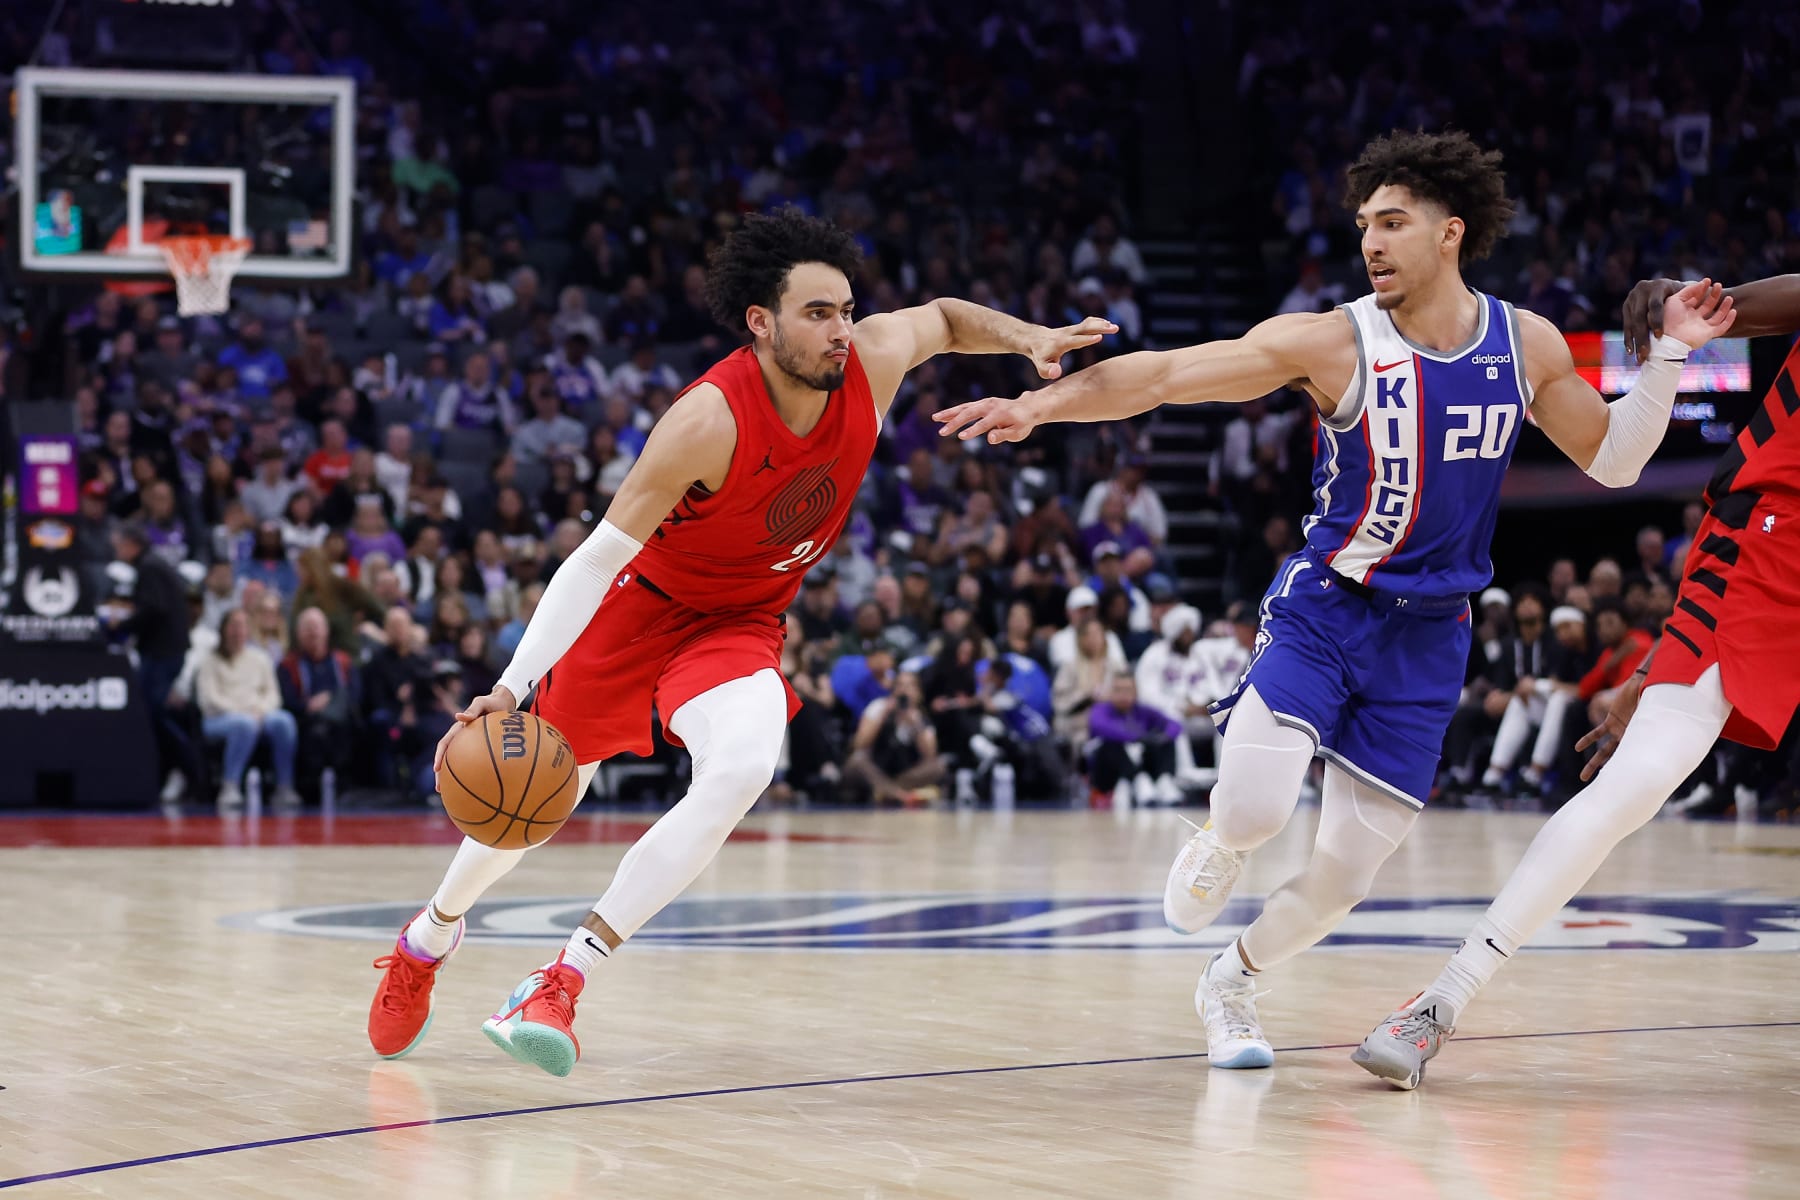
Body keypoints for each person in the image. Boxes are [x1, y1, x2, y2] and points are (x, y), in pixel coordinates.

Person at [934, 129, 1736, 1069]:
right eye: (1364, 226)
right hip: (1329, 604)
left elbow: (1615, 460)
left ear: (1451, 232)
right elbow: (1163, 376)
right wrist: (1038, 406)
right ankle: (1223, 836)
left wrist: (1671, 355)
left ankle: (1230, 982)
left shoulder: (1526, 343)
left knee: (1345, 880)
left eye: (1392, 223)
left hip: (1431, 636)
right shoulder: (1334, 339)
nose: (1371, 243)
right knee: (1256, 811)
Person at [366, 208, 1114, 1074]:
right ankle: (428, 939)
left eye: (845, 310)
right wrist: (511, 685)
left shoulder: (870, 361)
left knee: (745, 765)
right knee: (529, 804)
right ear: (761, 322)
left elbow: (943, 319)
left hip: (739, 621)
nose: (841, 331)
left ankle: (560, 980)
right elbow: (598, 555)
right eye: (817, 314)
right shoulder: (706, 420)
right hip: (638, 611)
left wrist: (1028, 339)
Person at [1353, 268, 1800, 1090]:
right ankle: (1442, 1000)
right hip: (1769, 549)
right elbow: (1735, 307)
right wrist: (1685, 307)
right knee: (1633, 790)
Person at [197, 608, 301, 811]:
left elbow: (273, 695)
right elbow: (209, 699)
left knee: (284, 721)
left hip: (257, 714)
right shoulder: (210, 661)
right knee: (244, 725)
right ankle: (230, 785)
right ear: (224, 629)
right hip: (219, 718)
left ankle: (284, 786)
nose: (238, 631)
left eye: (243, 626)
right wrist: (242, 711)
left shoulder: (260, 658)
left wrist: (260, 710)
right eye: (234, 625)